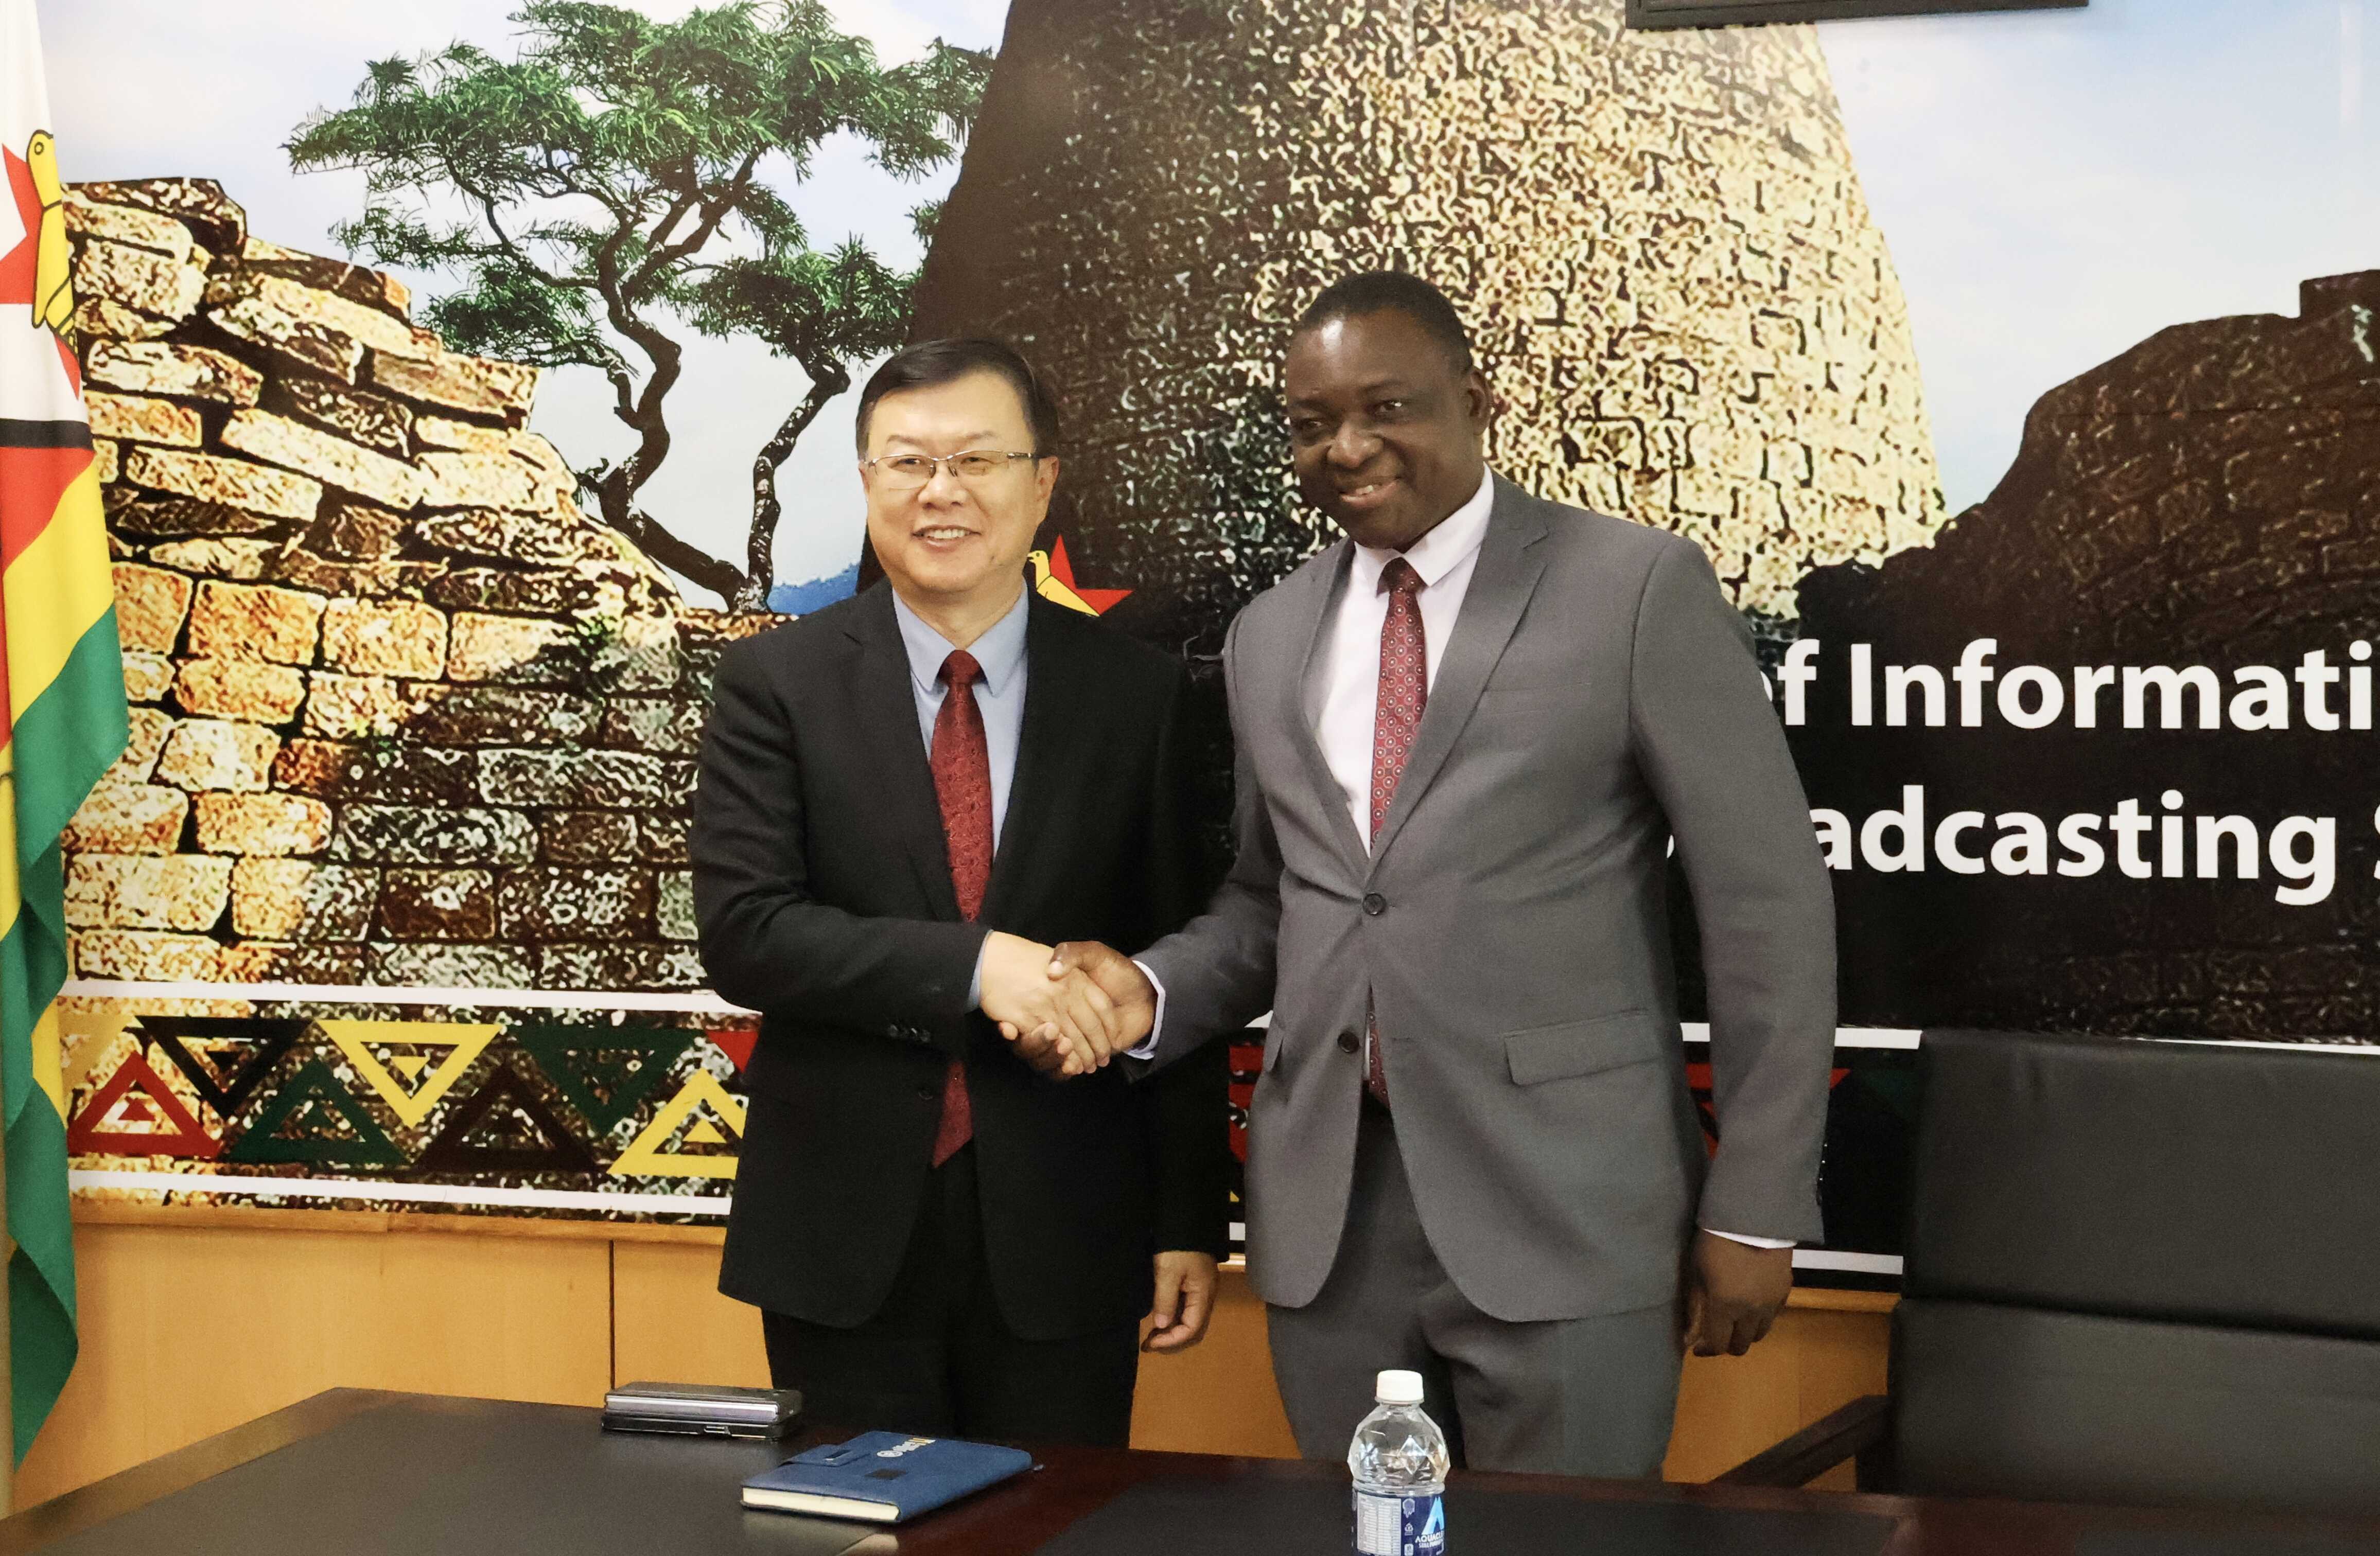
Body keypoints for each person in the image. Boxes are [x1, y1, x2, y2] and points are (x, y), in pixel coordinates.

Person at [1024, 273, 1837, 1476]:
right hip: (1331, 1225)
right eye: (1312, 424)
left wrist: (1757, 1203)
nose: (1347, 448)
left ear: (1475, 399)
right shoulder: (1268, 635)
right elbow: (1275, 899)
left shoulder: (1634, 589)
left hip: (1569, 1207)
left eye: (1387, 407)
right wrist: (1146, 992)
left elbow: (1765, 905)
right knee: (1363, 1541)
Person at [690, 337, 1230, 1447]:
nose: (941, 492)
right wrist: (983, 967)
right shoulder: (775, 683)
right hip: (841, 1229)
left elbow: (1173, 960)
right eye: (908, 463)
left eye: (978, 460)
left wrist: (1186, 1216)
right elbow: (747, 933)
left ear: (1042, 483)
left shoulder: (1141, 698)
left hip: (1072, 1224)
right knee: (855, 1525)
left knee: (1055, 1522)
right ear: (866, 482)